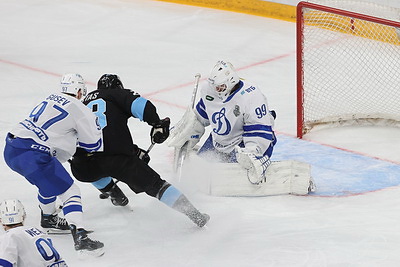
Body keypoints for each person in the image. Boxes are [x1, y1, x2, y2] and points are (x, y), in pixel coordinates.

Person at [69, 74, 210, 227]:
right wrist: (157, 123)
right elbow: (142, 106)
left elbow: (100, 132)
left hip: (81, 165)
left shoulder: (82, 103)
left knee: (91, 166)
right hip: (116, 160)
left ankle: (114, 193)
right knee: (156, 185)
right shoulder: (116, 94)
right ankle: (195, 215)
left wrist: (134, 152)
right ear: (118, 87)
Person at [3, 74, 104, 256]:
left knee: (49, 180)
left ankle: (48, 218)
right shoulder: (81, 109)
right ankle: (80, 236)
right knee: (70, 190)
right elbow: (93, 145)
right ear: (80, 91)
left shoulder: (49, 97)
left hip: (11, 148)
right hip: (34, 154)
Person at [168, 60, 277, 184]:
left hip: (245, 141)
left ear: (231, 81)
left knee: (232, 177)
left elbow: (259, 132)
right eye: (214, 86)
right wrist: (187, 129)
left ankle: (259, 159)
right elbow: (201, 116)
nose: (217, 89)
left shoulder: (251, 95)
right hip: (220, 141)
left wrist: (252, 153)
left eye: (221, 86)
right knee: (199, 172)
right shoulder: (210, 90)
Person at [0, 199, 68, 266]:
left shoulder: (9, 237)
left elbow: (5, 264)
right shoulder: (38, 232)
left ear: (1, 220)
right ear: (23, 216)